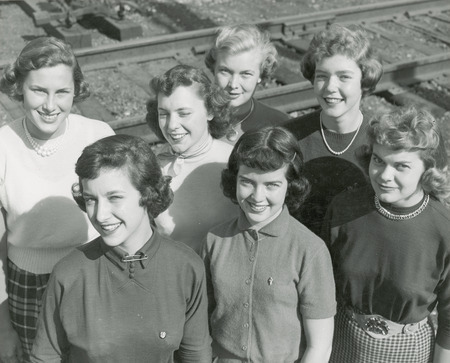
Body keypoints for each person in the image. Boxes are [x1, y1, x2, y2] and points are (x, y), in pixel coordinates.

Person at [30, 134, 212, 363]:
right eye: (90, 199)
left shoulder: (186, 267)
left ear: (148, 193)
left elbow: (195, 355)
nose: (100, 215)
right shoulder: (69, 273)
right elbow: (45, 358)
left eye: (114, 197)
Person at [0, 36, 114, 362]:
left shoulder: (98, 136)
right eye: (39, 90)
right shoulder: (3, 146)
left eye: (62, 92)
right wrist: (1, 325)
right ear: (19, 87)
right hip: (26, 288)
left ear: (75, 91)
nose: (51, 106)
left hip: (95, 274)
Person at [321, 106, 450, 363]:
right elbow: (321, 289)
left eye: (401, 166)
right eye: (378, 160)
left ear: (427, 171)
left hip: (407, 349)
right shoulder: (345, 208)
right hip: (342, 339)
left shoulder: (443, 229)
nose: (384, 176)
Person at [202, 126, 336, 362]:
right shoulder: (215, 240)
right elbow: (203, 322)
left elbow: (319, 347)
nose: (257, 197)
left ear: (290, 186)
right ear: (234, 180)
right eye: (247, 182)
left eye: (272, 185)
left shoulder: (309, 250)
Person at [284, 23, 383, 235]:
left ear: (364, 81)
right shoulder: (288, 138)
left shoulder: (383, 141)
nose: (330, 87)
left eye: (344, 77)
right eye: (322, 76)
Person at [146, 64, 237, 253]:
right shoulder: (152, 166)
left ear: (210, 111)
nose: (172, 125)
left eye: (184, 113)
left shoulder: (234, 162)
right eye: (163, 114)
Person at [205, 24, 290, 144]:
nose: (233, 84)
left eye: (245, 74)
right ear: (213, 69)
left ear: (261, 74)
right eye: (225, 71)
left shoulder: (279, 124)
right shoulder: (194, 118)